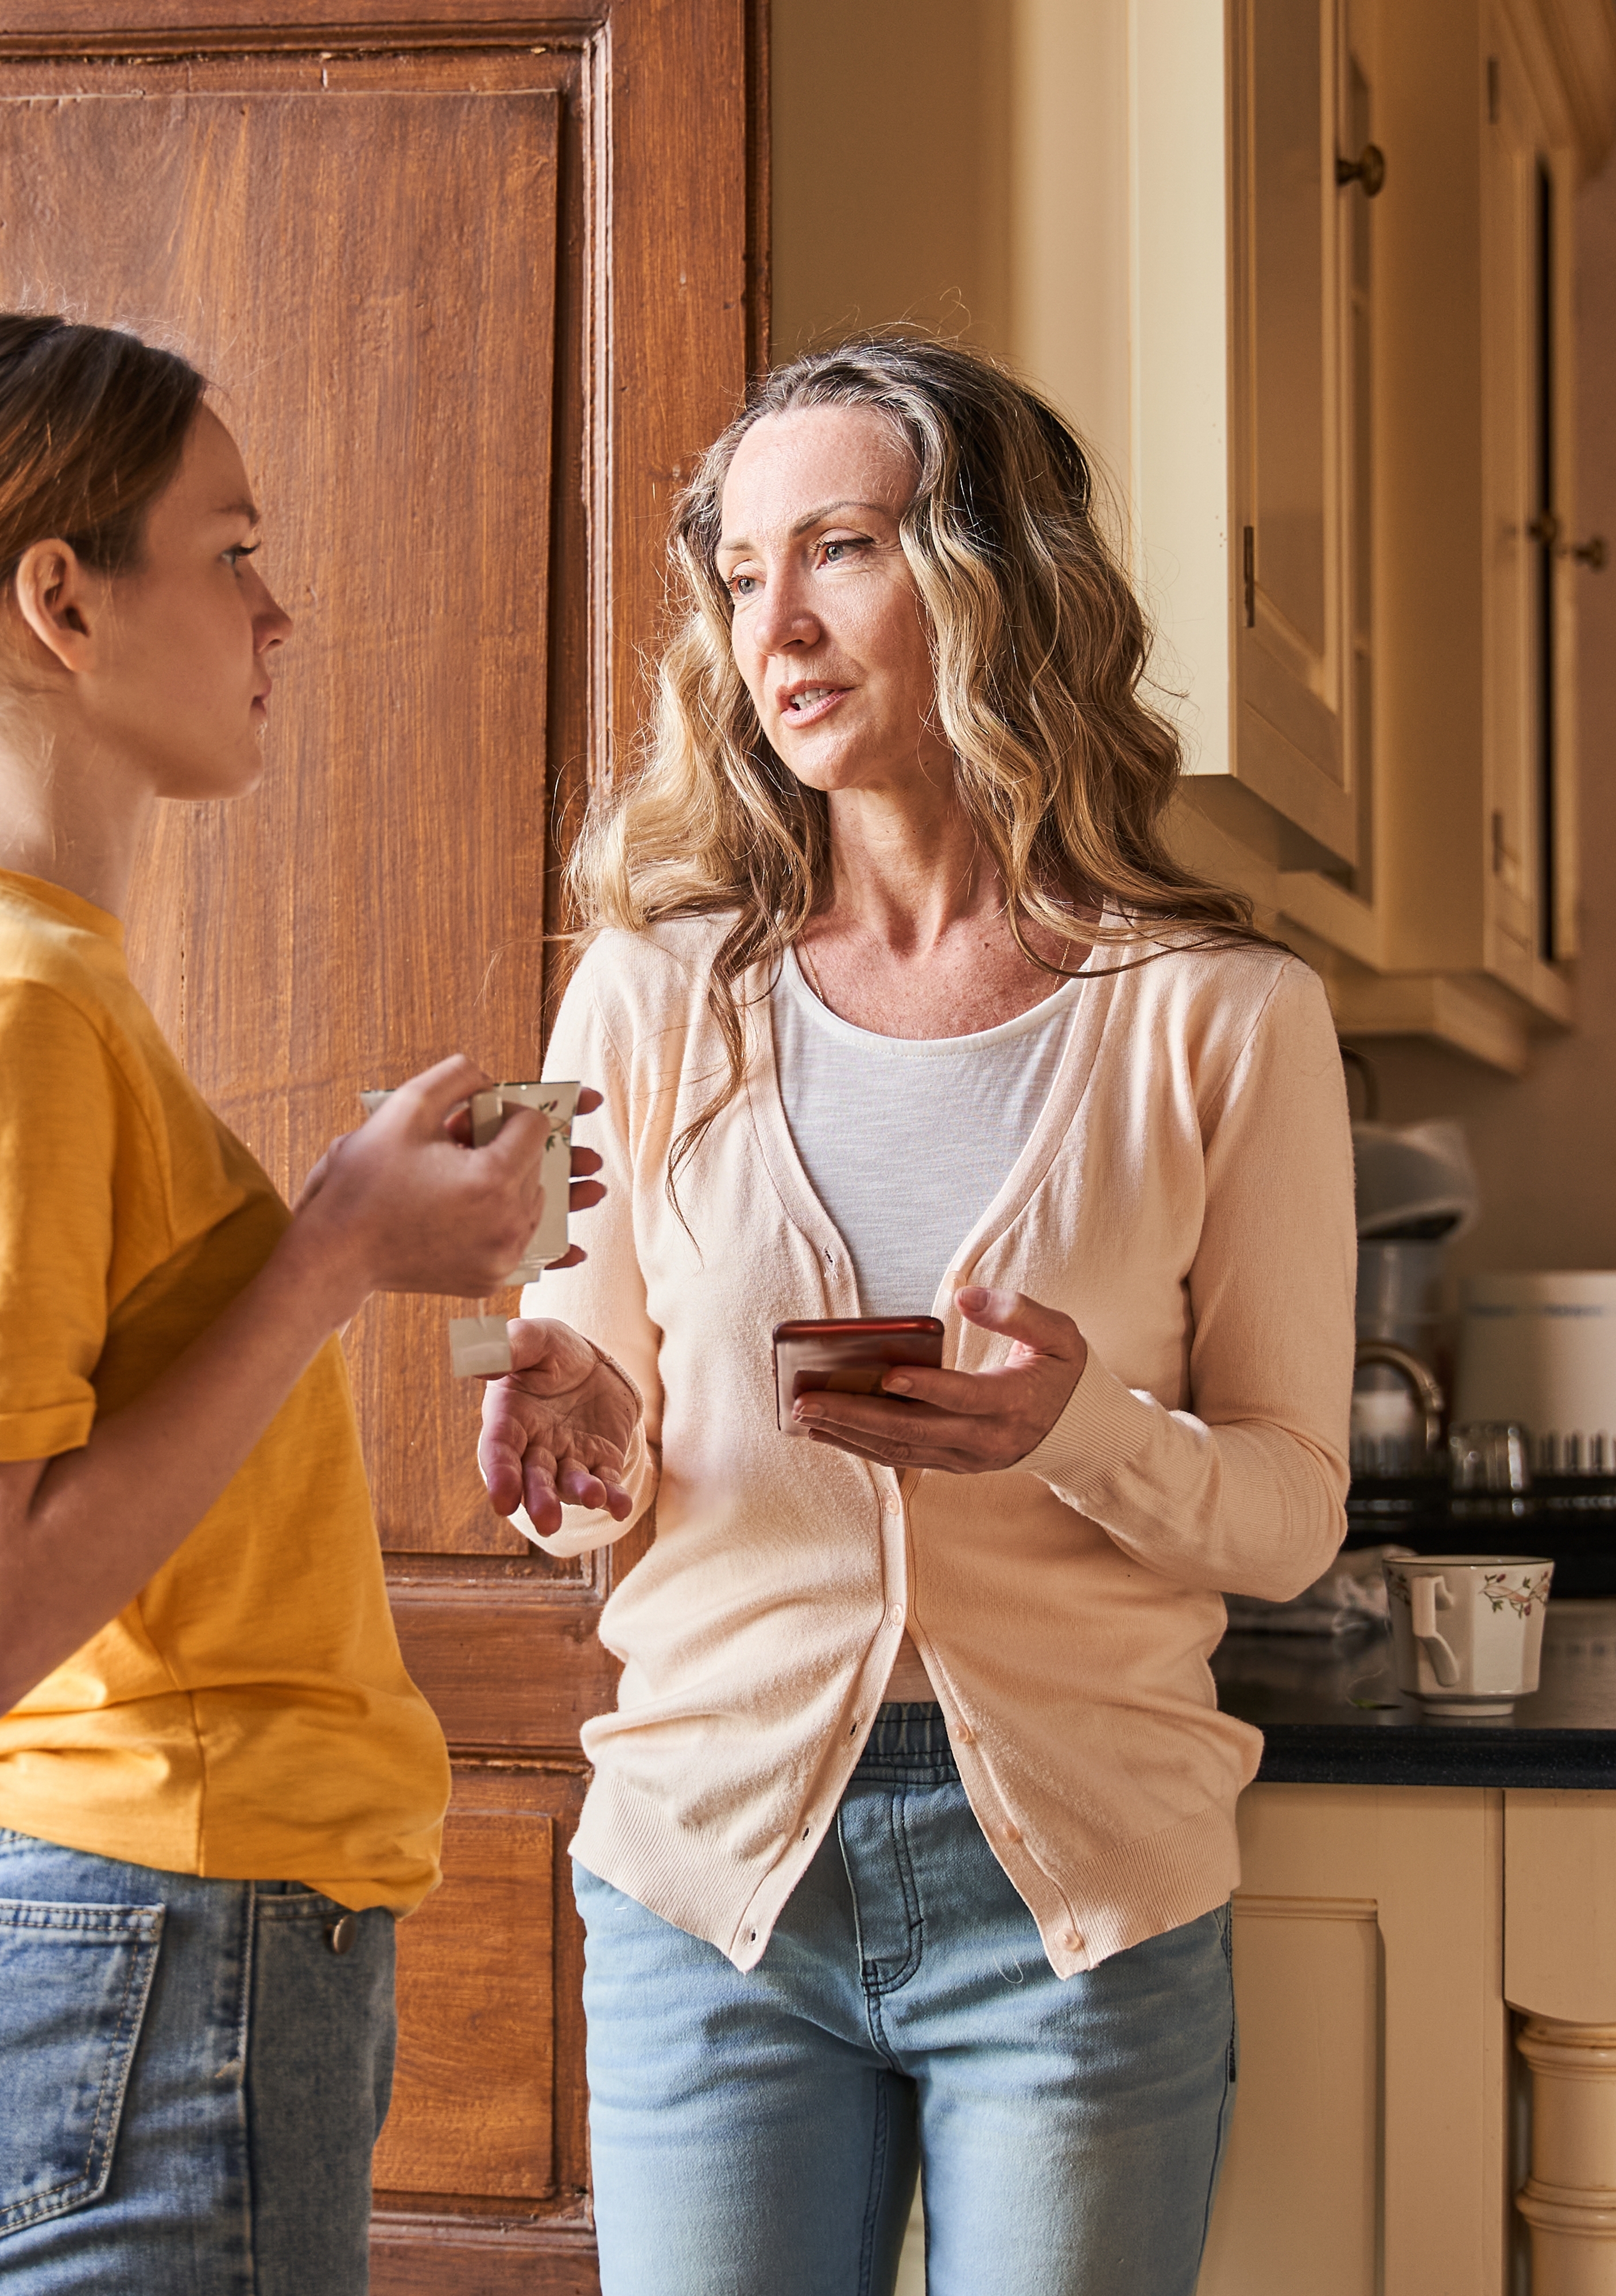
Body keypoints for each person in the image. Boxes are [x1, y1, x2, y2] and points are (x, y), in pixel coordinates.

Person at [0, 308, 602, 2295]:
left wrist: (373, 1236)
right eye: (232, 551)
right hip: (134, 1964)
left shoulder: (29, 984)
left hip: (134, 1965)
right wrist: (338, 1247)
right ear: (61, 600)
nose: (278, 615)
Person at [476, 334, 1355, 2294]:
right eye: (738, 572)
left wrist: (1084, 1432)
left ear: (990, 581)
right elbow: (584, 1467)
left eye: (842, 550)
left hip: (1081, 1888)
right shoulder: (641, 994)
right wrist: (568, 1444)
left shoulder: (1230, 1021)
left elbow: (1297, 1513)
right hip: (713, 1876)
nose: (772, 624)